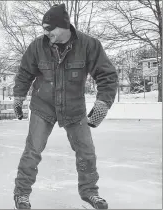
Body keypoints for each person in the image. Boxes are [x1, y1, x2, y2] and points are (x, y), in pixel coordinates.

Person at [12, 4, 118, 209]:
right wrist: (18, 97)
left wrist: (103, 103)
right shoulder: (37, 46)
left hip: (73, 108)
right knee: (32, 150)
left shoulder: (89, 45)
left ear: (63, 26)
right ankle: (21, 194)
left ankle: (89, 192)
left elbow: (107, 75)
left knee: (86, 151)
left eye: (49, 28)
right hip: (43, 106)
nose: (46, 33)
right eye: (44, 28)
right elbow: (25, 73)